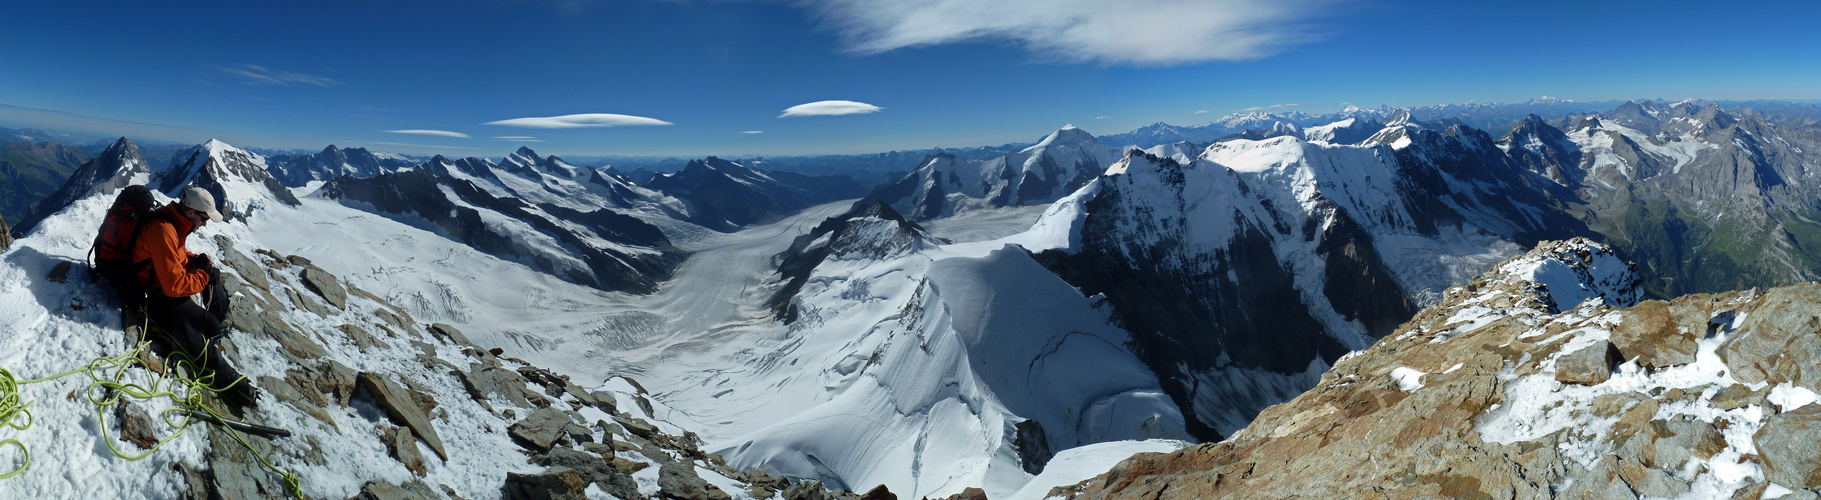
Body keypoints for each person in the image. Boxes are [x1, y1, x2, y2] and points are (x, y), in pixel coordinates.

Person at [132, 186, 258, 408]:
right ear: (191, 212)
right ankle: (228, 380)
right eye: (204, 218)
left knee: (210, 307)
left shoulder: (175, 222)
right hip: (153, 295)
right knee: (197, 328)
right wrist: (202, 276)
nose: (205, 224)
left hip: (162, 286)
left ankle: (217, 320)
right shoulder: (164, 228)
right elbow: (174, 286)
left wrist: (193, 261)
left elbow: (173, 256)